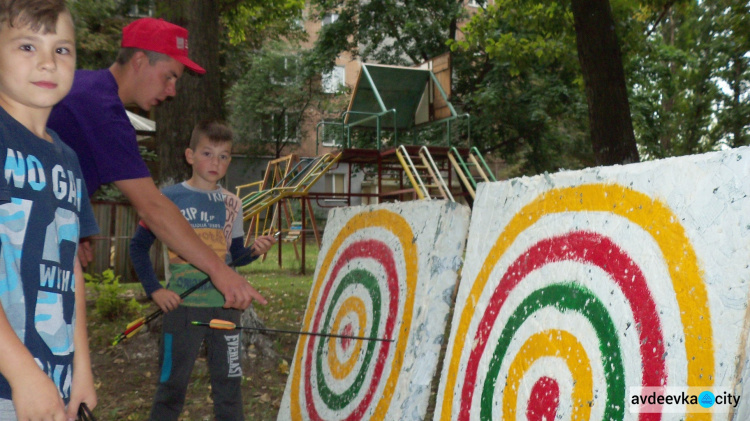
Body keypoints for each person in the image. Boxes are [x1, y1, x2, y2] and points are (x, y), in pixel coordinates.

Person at [47, 17, 266, 311]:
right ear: (139, 61)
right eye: (169, 76)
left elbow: (63, 167)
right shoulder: (102, 110)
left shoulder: (88, 88)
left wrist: (77, 224)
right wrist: (220, 271)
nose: (173, 90)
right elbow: (153, 208)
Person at [129, 121, 275, 421]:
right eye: (207, 153)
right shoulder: (166, 198)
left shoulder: (233, 203)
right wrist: (155, 290)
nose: (215, 162)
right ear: (189, 155)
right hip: (181, 310)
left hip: (226, 310)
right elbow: (137, 247)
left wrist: (254, 251)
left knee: (229, 388)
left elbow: (233, 259)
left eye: (223, 156)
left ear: (230, 161)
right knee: (171, 387)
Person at [0, 1, 98, 420]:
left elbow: (69, 264)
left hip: (50, 382)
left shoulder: (69, 160)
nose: (47, 62)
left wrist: (82, 370)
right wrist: (22, 374)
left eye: (62, 49)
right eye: (26, 46)